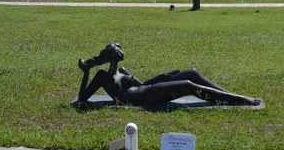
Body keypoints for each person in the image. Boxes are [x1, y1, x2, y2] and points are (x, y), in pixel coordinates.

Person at [76, 43, 261, 108]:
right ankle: (243, 100)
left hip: (147, 90)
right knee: (188, 85)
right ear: (108, 58)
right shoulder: (102, 76)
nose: (119, 57)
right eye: (116, 54)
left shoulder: (122, 71)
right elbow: (82, 98)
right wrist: (86, 73)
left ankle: (228, 96)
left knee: (192, 72)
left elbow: (145, 83)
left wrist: (166, 76)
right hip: (140, 99)